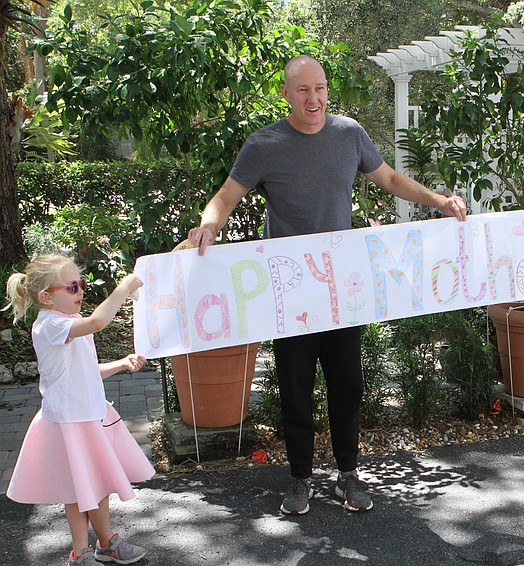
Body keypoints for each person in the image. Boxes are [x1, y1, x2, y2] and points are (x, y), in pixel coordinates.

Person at [187, 55, 467, 514]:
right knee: (295, 387)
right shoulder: (263, 145)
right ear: (285, 94)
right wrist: (210, 226)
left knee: (347, 384)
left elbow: (390, 178)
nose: (313, 98)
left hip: (343, 288)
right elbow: (224, 196)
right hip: (291, 289)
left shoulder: (349, 134)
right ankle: (300, 478)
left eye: (319, 89)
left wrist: (438, 200)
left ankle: (348, 475)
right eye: (302, 90)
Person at [4, 255, 155, 565]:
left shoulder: (69, 324)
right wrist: (123, 289)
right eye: (73, 286)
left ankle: (104, 544)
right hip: (69, 422)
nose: (81, 291)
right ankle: (81, 552)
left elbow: (84, 370)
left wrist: (120, 365)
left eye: (82, 285)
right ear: (46, 297)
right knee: (78, 490)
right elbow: (99, 322)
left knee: (95, 485)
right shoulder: (50, 325)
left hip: (88, 416)